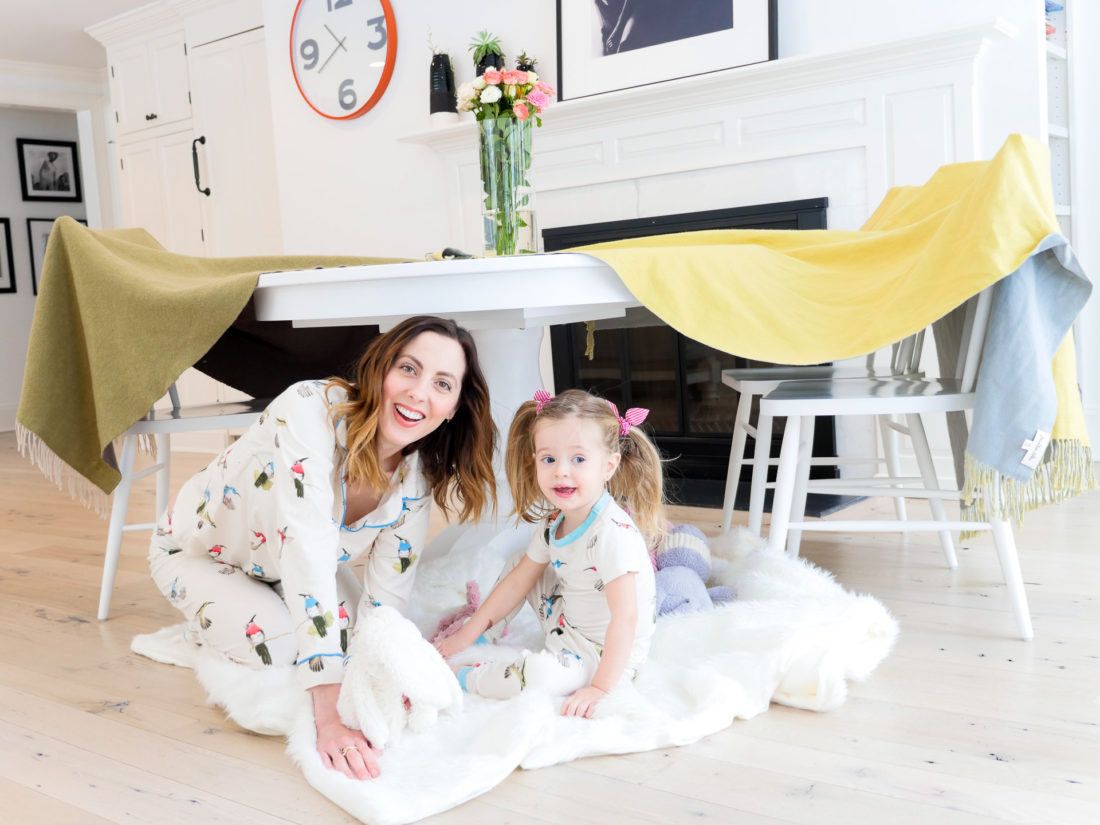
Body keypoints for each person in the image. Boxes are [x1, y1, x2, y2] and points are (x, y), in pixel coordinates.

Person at [148, 315, 497, 780]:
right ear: (380, 370)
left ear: (453, 406)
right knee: (282, 645)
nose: (419, 393)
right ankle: (204, 628)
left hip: (279, 566)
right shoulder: (310, 408)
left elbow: (388, 597)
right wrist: (329, 715)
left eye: (442, 383)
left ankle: (264, 606)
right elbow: (307, 548)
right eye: (408, 369)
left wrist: (390, 674)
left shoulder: (416, 476)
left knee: (356, 640)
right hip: (196, 554)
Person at [435, 388, 664, 718]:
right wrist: (467, 635)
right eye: (549, 459)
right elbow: (516, 583)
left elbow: (625, 618)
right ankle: (485, 637)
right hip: (565, 620)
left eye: (579, 460)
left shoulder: (613, 535)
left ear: (609, 466)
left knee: (538, 676)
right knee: (521, 565)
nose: (561, 471)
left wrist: (600, 687)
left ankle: (463, 676)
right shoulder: (554, 521)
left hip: (602, 654)